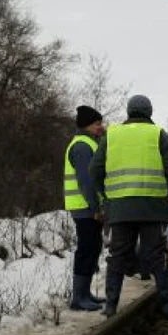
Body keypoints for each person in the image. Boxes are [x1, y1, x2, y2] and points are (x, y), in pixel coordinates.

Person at [89, 95, 168, 318]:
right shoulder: (158, 134)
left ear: (129, 112)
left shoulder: (111, 136)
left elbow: (95, 170)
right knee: (158, 255)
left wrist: (107, 195)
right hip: (153, 207)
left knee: (118, 255)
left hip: (120, 208)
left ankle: (111, 305)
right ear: (150, 112)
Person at [63, 105, 105, 311]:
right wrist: (96, 206)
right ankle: (79, 298)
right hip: (85, 207)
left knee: (93, 247)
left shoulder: (89, 143)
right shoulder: (81, 146)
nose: (101, 127)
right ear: (87, 125)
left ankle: (85, 293)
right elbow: (86, 181)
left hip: (88, 206)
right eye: (97, 123)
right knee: (86, 249)